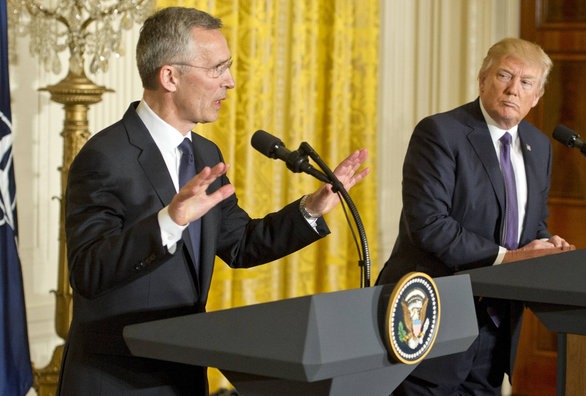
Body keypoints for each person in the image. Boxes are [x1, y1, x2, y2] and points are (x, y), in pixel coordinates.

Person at [56, 6, 369, 396]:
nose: (231, 82)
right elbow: (87, 272)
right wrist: (168, 222)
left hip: (184, 373)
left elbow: (240, 244)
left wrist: (310, 209)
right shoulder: (105, 156)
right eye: (217, 68)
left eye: (229, 67)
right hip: (118, 378)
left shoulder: (204, 153)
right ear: (170, 76)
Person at [376, 37, 574, 395]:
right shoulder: (440, 132)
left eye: (526, 82)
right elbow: (429, 225)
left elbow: (531, 222)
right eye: (504, 75)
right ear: (483, 79)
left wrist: (546, 244)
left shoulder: (539, 145)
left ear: (537, 96)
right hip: (430, 322)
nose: (514, 89)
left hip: (496, 326)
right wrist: (509, 258)